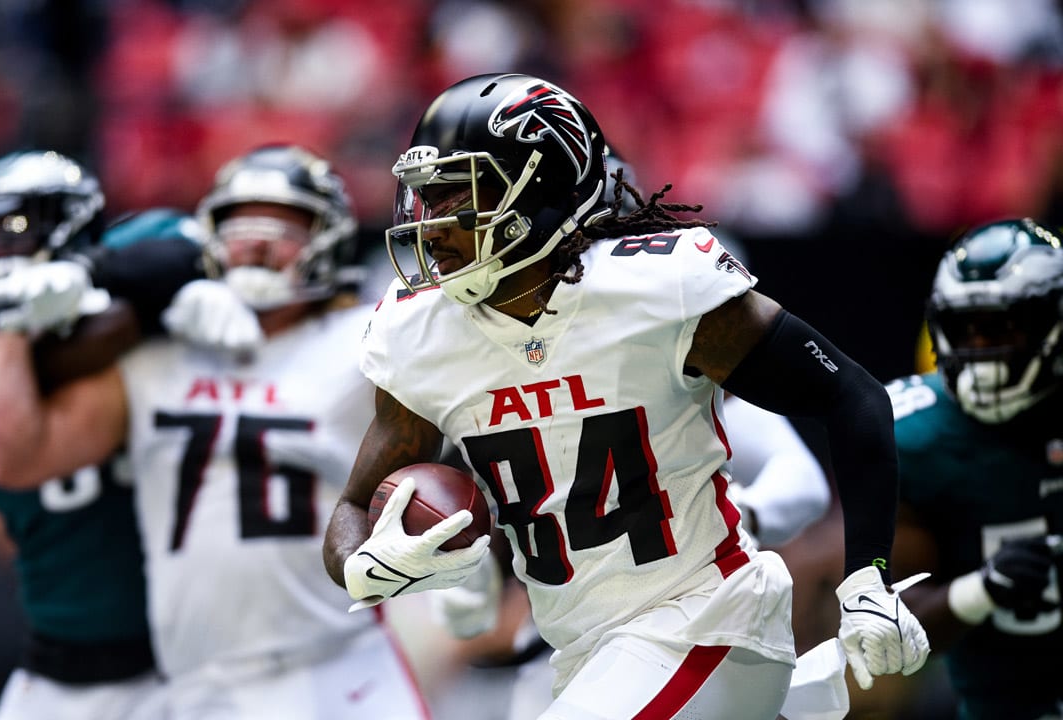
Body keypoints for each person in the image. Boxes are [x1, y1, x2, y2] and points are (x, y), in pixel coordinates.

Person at [321, 72, 928, 719]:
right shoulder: (420, 332)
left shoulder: (652, 290)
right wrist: (364, 564)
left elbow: (853, 396)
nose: (432, 225)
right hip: (582, 649)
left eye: (458, 197)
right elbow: (355, 507)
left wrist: (867, 578)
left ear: (543, 193)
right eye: (426, 199)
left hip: (706, 619)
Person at [0, 143, 430, 719]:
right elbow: (19, 455)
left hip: (335, 663)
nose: (258, 245)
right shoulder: (157, 352)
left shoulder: (367, 341)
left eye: (284, 226)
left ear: (328, 237)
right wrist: (8, 321)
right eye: (240, 227)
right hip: (199, 686)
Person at [0, 150, 207, 720]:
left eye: (16, 226)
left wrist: (88, 277)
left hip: (190, 665)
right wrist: (144, 312)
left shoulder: (128, 249)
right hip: (63, 670)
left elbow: (197, 249)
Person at [890, 218, 1063, 720]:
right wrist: (982, 590)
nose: (983, 351)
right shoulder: (917, 436)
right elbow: (895, 624)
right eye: (967, 330)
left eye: (1002, 327)